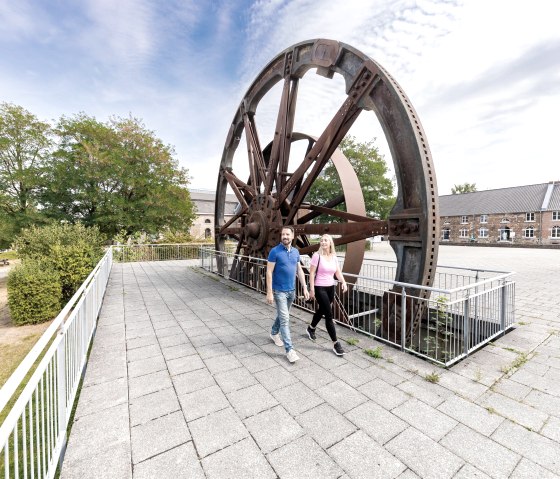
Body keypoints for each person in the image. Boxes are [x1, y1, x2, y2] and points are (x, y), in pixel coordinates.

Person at [266, 226, 309, 363]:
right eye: (283, 234)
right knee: (285, 319)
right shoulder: (275, 252)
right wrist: (269, 292)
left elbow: (299, 271)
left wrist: (305, 287)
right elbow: (268, 272)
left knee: (282, 315)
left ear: (292, 236)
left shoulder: (296, 252)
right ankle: (289, 350)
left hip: (292, 291)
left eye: (287, 234)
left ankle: (273, 333)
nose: (285, 236)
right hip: (279, 291)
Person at [307, 234, 348, 356]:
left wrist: (343, 282)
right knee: (329, 315)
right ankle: (336, 343)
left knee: (322, 310)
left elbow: (337, 272)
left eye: (325, 240)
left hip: (331, 287)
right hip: (320, 288)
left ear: (330, 243)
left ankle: (311, 328)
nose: (323, 242)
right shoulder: (316, 256)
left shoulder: (334, 257)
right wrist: (312, 289)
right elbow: (312, 273)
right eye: (321, 240)